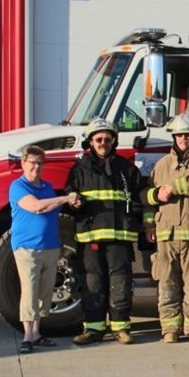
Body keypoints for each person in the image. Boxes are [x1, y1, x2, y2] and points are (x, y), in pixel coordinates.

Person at [67, 118, 148, 345]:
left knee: (120, 280)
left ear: (114, 141)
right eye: (98, 139)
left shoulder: (127, 169)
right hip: (90, 236)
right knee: (92, 281)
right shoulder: (79, 169)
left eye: (107, 139)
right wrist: (74, 202)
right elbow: (70, 194)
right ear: (90, 142)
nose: (103, 142)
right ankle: (93, 329)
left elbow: (140, 197)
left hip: (119, 236)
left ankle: (121, 327)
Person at [144, 114, 189, 344]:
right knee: (167, 282)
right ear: (174, 137)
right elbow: (150, 198)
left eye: (188, 134)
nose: (184, 138)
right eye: (180, 134)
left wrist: (171, 188)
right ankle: (170, 329)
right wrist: (149, 223)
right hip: (166, 233)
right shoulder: (161, 165)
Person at [9, 145, 78, 353]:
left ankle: (37, 333)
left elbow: (52, 210)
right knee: (30, 291)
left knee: (44, 292)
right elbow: (37, 207)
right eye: (32, 163)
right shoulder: (18, 187)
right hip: (27, 248)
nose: (36, 167)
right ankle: (27, 336)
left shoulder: (47, 187)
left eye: (40, 163)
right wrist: (65, 198)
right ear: (23, 163)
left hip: (50, 247)